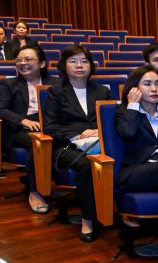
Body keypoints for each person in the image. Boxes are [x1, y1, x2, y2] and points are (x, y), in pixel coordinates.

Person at [42, 45, 111, 242]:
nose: (79, 65)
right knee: (88, 165)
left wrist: (98, 131)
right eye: (73, 61)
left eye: (84, 61)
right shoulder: (56, 92)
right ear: (64, 66)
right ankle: (88, 219)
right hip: (68, 146)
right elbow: (50, 126)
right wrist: (76, 135)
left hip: (99, 142)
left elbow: (111, 120)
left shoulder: (102, 91)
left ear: (91, 65)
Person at [0, 44, 58, 214]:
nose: (22, 63)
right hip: (20, 128)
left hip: (50, 124)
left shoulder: (56, 83)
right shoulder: (9, 84)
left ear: (42, 63)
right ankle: (35, 191)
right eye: (19, 60)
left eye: (28, 59)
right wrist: (23, 120)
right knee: (36, 143)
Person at [115, 65, 158, 199]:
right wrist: (133, 105)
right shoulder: (124, 113)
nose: (154, 89)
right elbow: (128, 132)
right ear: (134, 88)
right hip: (136, 170)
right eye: (147, 84)